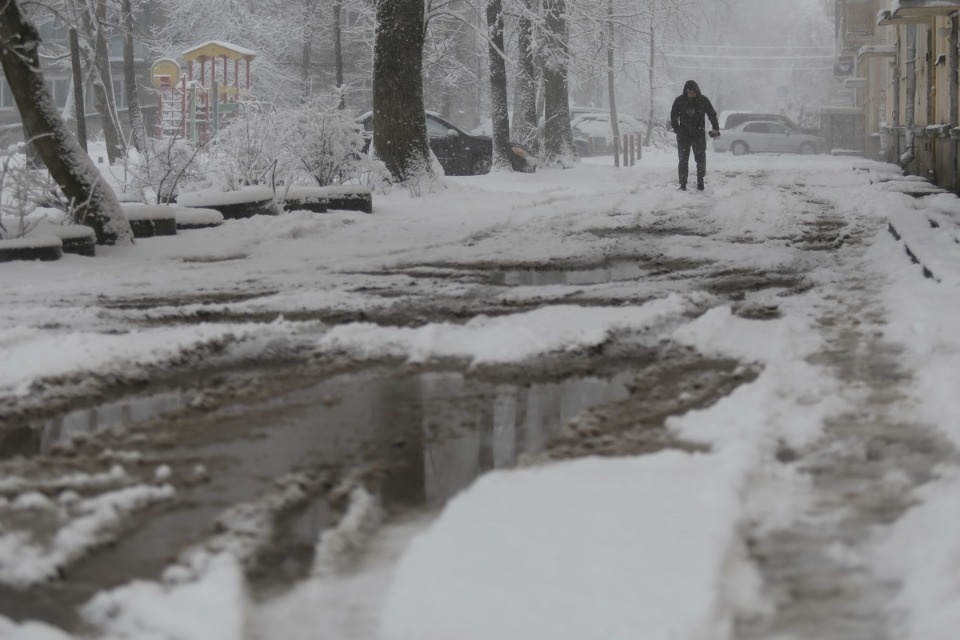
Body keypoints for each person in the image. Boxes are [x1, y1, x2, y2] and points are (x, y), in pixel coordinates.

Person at [670, 80, 720, 191]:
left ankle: (700, 181)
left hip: (698, 134)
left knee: (701, 158)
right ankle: (683, 184)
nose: (691, 94)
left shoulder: (703, 100)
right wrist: (677, 129)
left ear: (697, 91)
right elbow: (673, 116)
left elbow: (712, 114)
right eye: (689, 92)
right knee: (683, 160)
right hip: (684, 135)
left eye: (693, 92)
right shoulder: (679, 101)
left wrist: (715, 127)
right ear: (686, 91)